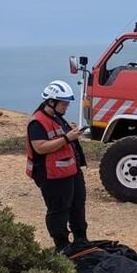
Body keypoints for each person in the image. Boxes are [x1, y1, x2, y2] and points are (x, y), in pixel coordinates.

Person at [25, 80, 89, 251]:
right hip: (52, 176)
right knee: (58, 211)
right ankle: (62, 246)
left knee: (77, 205)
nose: (66, 107)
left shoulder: (57, 118)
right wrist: (67, 138)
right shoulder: (37, 122)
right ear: (51, 102)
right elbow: (40, 147)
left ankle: (81, 241)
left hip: (70, 172)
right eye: (64, 103)